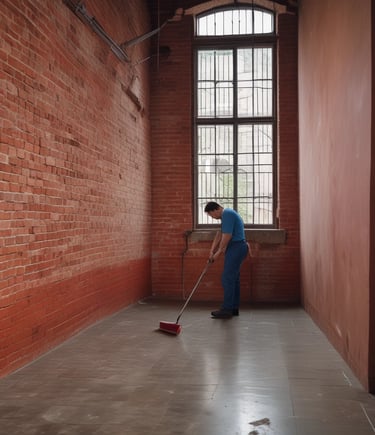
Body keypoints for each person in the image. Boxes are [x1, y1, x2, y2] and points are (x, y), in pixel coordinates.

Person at [204, 201, 249, 319]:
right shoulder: (226, 216)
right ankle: (233, 308)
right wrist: (211, 250)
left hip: (237, 246)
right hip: (236, 247)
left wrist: (218, 253)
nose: (212, 218)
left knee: (227, 277)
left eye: (211, 215)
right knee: (233, 279)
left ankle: (227, 309)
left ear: (215, 210)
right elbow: (219, 234)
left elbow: (227, 236)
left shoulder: (227, 214)